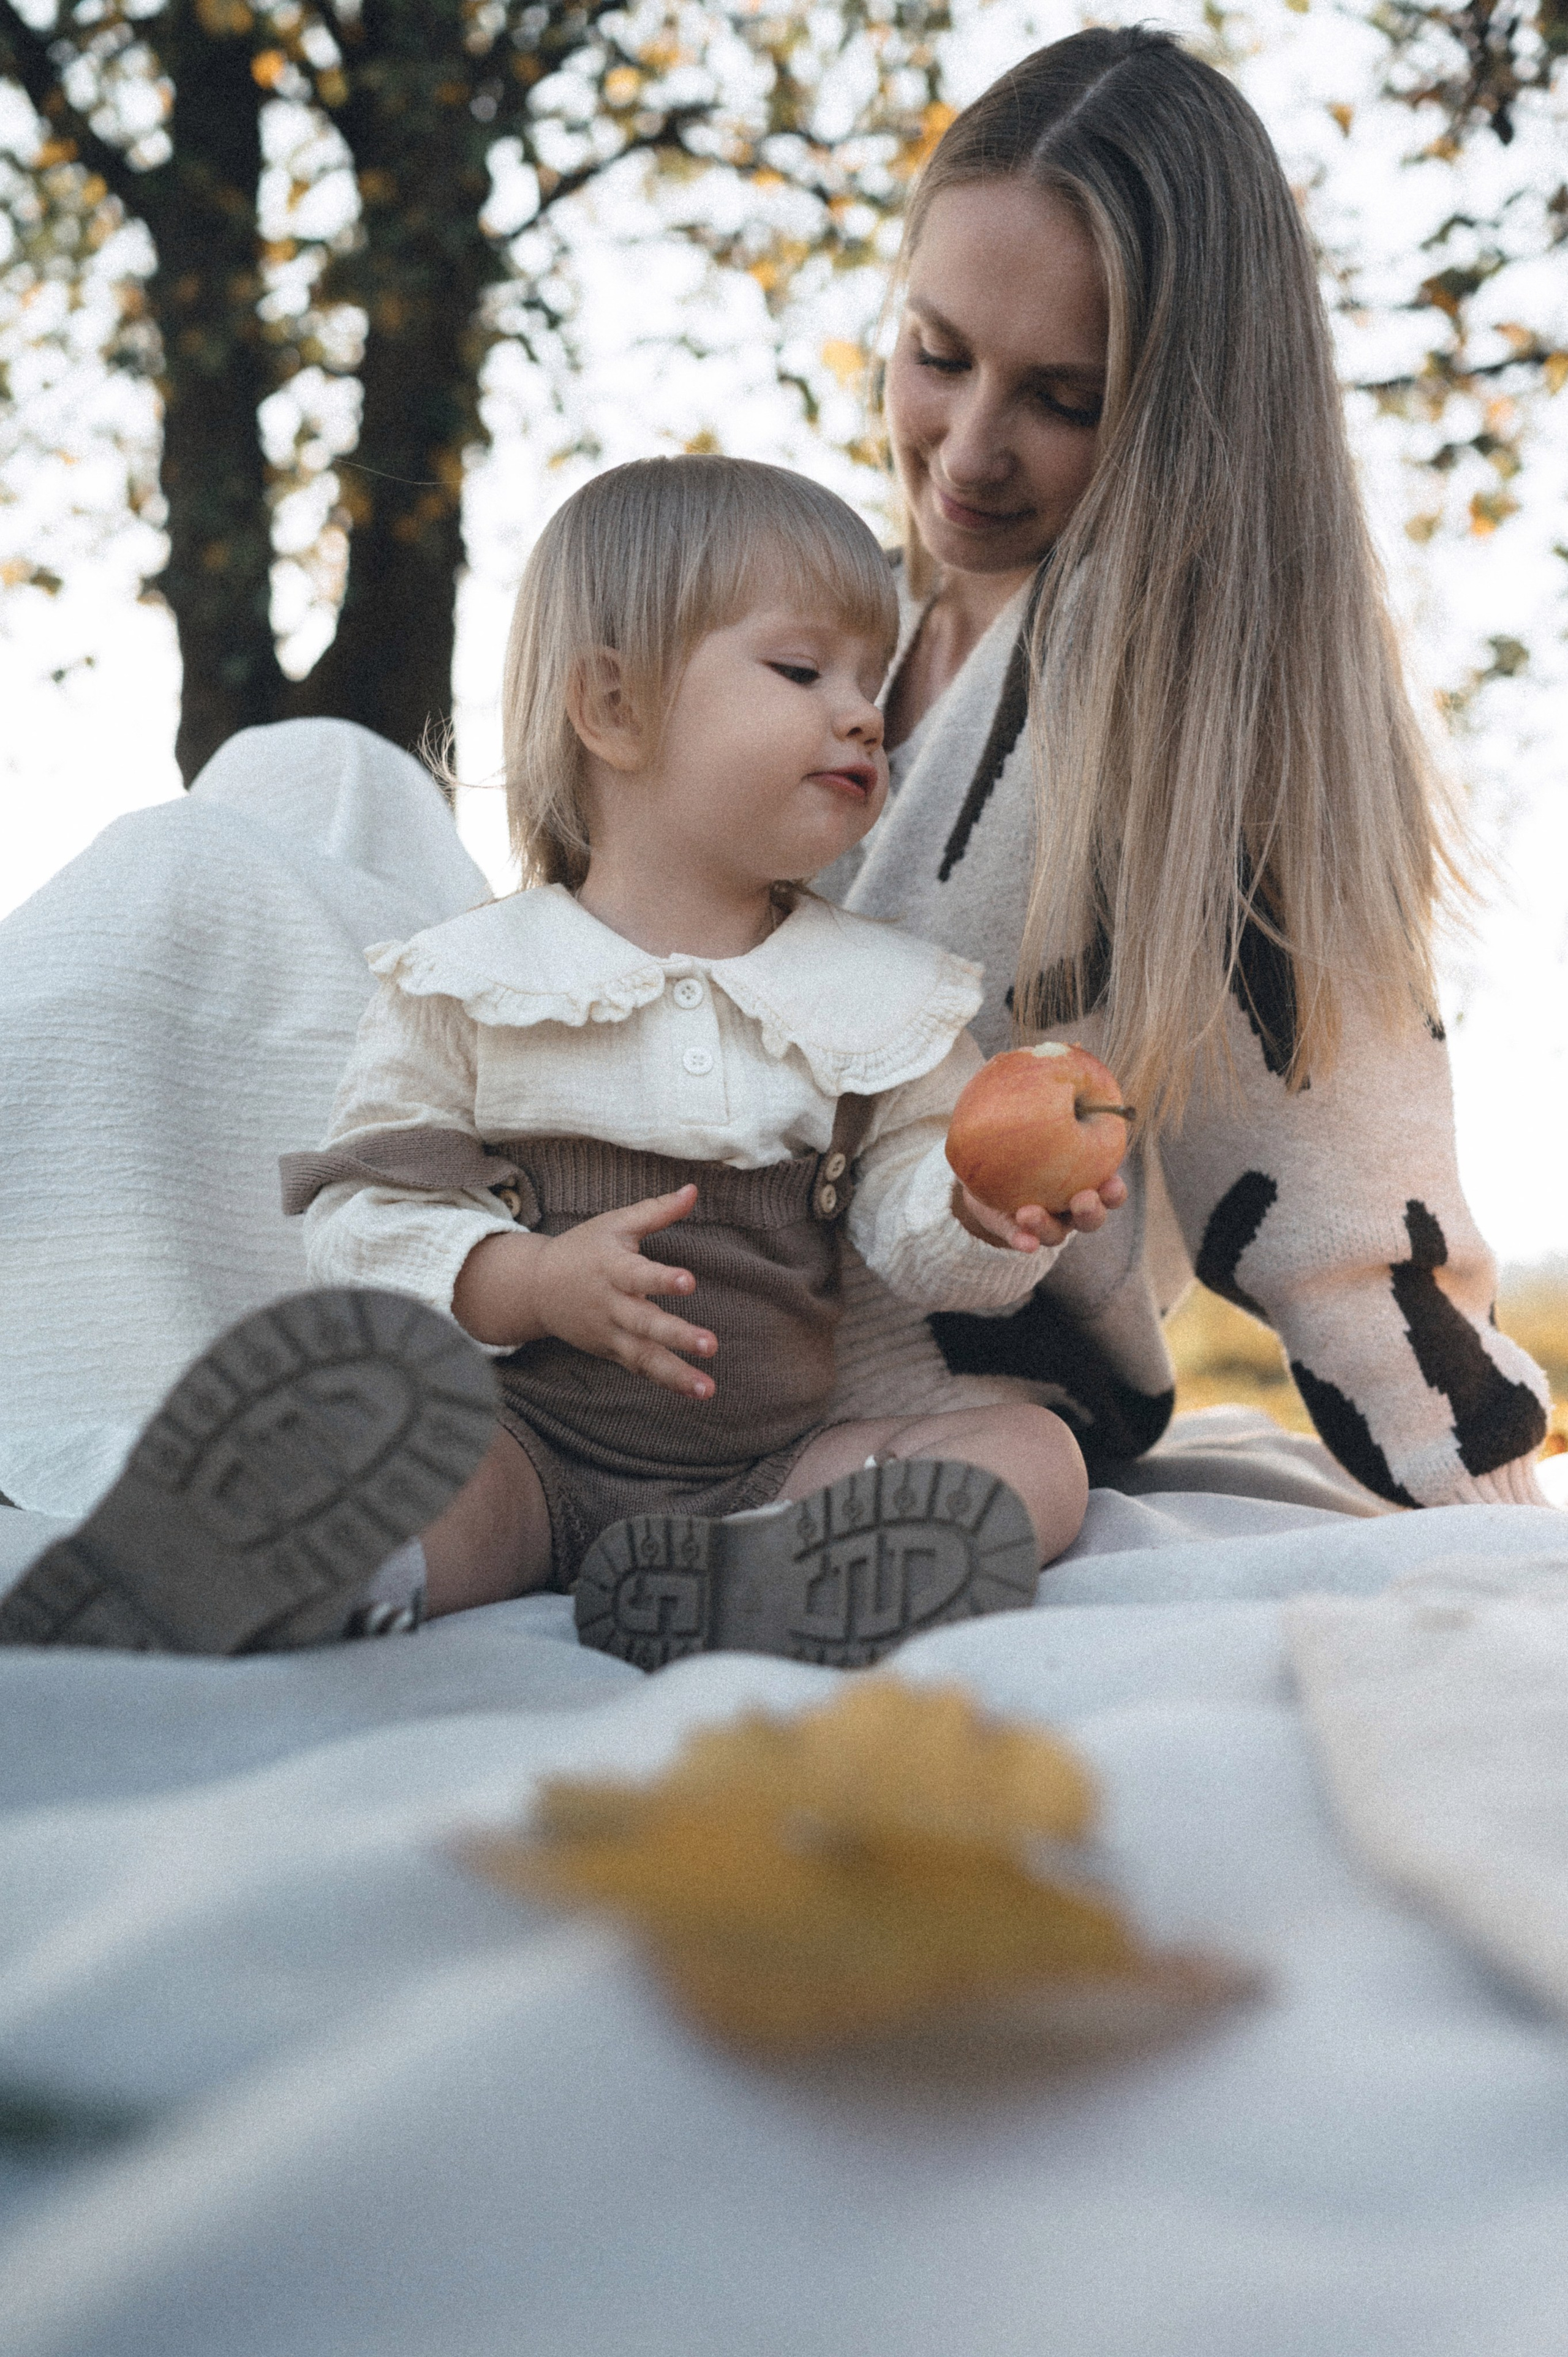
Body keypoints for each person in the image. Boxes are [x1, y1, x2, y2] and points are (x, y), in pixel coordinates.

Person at [2, 456, 1107, 1665]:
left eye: (871, 680)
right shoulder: (472, 981)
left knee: (1036, 1456)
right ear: (614, 706)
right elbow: (364, 1219)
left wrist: (984, 1205)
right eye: (802, 671)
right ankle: (277, 1562)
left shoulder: (880, 995)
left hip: (775, 1465)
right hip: (529, 1448)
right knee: (425, 1482)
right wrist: (524, 1280)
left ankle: (764, 1574)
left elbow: (910, 1230)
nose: (862, 716)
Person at [813, 25, 1551, 1513]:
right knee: (331, 781)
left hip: (897, 1386)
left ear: (1182, 417)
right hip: (600, 1279)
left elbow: (1347, 1210)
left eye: (1062, 399)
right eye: (936, 355)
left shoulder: (1167, 690)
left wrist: (1497, 1539)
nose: (966, 449)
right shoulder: (823, 620)